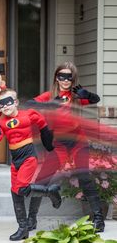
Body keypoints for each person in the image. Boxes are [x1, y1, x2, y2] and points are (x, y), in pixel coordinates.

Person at [31, 61, 105, 232]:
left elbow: (96, 99)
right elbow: (30, 104)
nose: (65, 80)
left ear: (73, 79)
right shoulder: (49, 95)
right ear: (56, 78)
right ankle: (30, 219)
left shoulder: (77, 96)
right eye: (61, 76)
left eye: (69, 77)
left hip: (78, 141)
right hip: (59, 144)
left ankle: (98, 218)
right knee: (42, 179)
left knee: (84, 177)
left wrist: (86, 94)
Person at [0, 88, 61, 241]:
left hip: (28, 157)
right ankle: (23, 228)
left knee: (22, 188)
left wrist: (48, 144)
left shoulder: (28, 114)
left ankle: (50, 192)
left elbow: (42, 123)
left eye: (8, 103)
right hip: (15, 160)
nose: (5, 107)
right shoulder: (1, 120)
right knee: (15, 192)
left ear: (16, 102)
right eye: (1, 104)